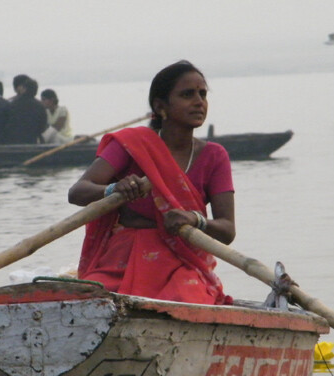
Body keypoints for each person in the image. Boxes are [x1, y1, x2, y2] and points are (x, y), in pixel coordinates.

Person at [68, 60, 235, 306]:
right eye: (187, 94)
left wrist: (193, 219)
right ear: (160, 106)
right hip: (123, 258)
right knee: (89, 301)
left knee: (186, 302)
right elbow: (78, 192)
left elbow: (227, 231)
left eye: (203, 94)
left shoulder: (214, 155)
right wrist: (115, 189)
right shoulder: (132, 145)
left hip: (183, 262)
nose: (199, 101)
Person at [4, 77, 47, 144]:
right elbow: (42, 127)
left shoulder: (12, 104)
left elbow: (7, 123)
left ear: (24, 89)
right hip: (33, 140)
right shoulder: (40, 106)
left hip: (14, 141)